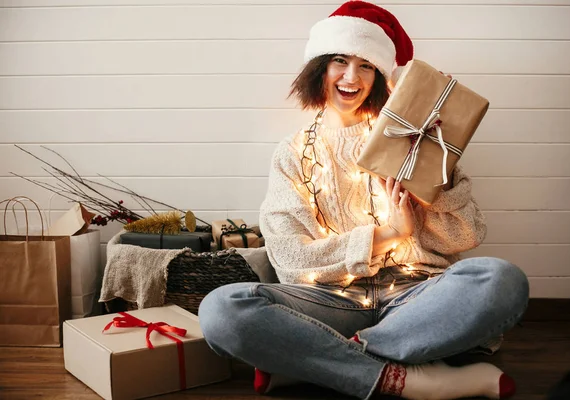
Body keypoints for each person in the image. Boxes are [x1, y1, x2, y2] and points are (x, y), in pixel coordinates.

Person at [199, 1, 529, 399]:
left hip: (416, 296)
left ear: (381, 76)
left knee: (502, 281)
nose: (351, 77)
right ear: (320, 66)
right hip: (328, 302)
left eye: (367, 65)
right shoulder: (292, 153)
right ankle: (416, 378)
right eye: (340, 60)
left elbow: (464, 236)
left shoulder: (415, 137)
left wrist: (438, 152)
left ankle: (320, 361)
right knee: (222, 309)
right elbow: (289, 260)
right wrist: (389, 233)